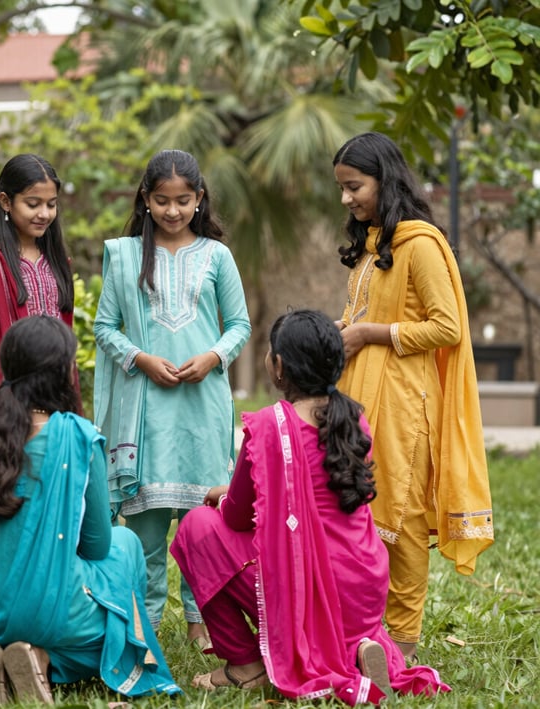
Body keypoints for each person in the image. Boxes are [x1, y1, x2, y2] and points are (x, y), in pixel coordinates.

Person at [171, 309, 451, 705]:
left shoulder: (269, 427)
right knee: (308, 563)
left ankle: (245, 664)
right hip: (364, 588)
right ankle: (355, 649)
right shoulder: (354, 419)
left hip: (313, 588)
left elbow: (236, 516)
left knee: (197, 527)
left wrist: (225, 495)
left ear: (278, 366)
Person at [0, 315, 181, 705]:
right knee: (125, 544)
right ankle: (41, 657)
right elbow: (97, 546)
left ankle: (9, 657)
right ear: (62, 373)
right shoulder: (79, 439)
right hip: (47, 610)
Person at [332, 132, 493, 661]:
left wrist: (369, 333)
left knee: (401, 523)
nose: (346, 198)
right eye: (342, 188)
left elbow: (446, 327)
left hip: (406, 404)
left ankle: (400, 646)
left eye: (355, 186)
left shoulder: (419, 243)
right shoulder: (374, 244)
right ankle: (360, 636)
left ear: (385, 179)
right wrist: (338, 330)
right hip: (360, 397)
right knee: (359, 514)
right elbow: (362, 315)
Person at [93, 149, 251, 647]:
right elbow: (104, 327)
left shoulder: (217, 256)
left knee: (203, 522)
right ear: (146, 198)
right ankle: (146, 624)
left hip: (202, 404)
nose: (173, 210)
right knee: (144, 530)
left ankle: (202, 624)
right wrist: (140, 359)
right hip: (145, 408)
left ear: (199, 198)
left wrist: (213, 356)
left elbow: (240, 324)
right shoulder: (125, 255)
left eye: (183, 200)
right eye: (162, 200)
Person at [0, 154, 74, 398]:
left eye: (51, 204)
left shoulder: (58, 262)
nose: (44, 214)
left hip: (55, 394)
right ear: (6, 201)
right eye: (33, 204)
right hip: (5, 397)